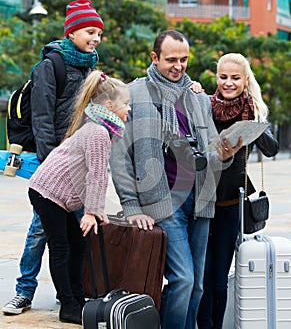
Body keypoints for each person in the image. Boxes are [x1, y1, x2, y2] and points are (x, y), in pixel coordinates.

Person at [109, 30, 242, 329]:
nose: (179, 66)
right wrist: (131, 205)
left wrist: (226, 153)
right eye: (171, 60)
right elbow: (119, 156)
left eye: (183, 59)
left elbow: (210, 149)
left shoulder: (197, 97)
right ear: (154, 57)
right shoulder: (134, 93)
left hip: (201, 199)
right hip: (162, 200)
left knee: (196, 285)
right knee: (183, 279)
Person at [2, 0, 104, 315]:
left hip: (81, 165)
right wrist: (49, 168)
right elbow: (42, 120)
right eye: (89, 32)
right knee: (39, 231)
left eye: (99, 34)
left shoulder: (91, 67)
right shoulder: (51, 67)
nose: (96, 38)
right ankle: (24, 291)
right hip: (54, 168)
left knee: (78, 234)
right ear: (72, 32)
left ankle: (71, 293)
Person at [27, 70, 130, 324]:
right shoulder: (98, 132)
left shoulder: (97, 128)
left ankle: (76, 297)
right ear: (109, 106)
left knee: (78, 244)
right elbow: (96, 175)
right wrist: (92, 212)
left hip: (57, 194)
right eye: (126, 104)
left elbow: (90, 174)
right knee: (61, 247)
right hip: (47, 191)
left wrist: (96, 211)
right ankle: (68, 305)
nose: (129, 109)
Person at [197, 53, 279, 329]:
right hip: (201, 203)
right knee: (201, 277)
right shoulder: (205, 105)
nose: (228, 83)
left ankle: (214, 326)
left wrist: (254, 121)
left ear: (245, 80)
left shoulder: (251, 111)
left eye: (235, 78)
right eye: (223, 77)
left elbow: (272, 149)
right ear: (216, 77)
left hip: (231, 206)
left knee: (219, 279)